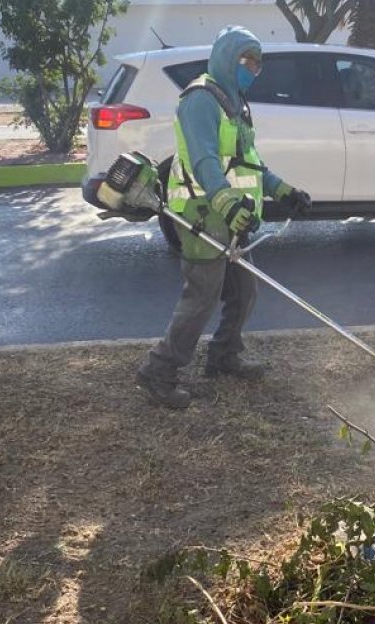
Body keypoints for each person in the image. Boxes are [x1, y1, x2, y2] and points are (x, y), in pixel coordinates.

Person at [135, 26, 312, 409]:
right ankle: (158, 371)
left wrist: (284, 190)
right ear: (226, 57)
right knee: (202, 297)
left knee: (244, 291)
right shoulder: (201, 99)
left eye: (257, 63)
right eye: (245, 59)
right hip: (205, 215)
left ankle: (224, 355)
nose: (252, 68)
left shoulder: (236, 103)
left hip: (234, 218)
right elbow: (204, 162)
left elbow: (251, 163)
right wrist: (226, 204)